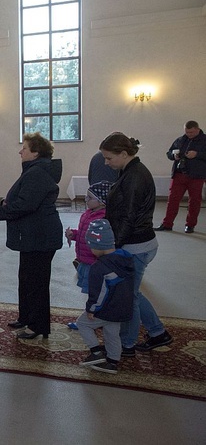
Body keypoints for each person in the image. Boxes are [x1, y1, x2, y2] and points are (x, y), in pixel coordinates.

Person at [99, 132, 172, 356]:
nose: (106, 162)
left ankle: (126, 344)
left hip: (135, 245)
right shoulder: (129, 171)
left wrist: (114, 247)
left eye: (109, 158)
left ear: (123, 153)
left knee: (128, 297)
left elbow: (129, 217)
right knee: (133, 293)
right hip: (138, 242)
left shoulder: (135, 176)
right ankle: (158, 333)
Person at [0, 132, 63, 340]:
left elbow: (26, 204)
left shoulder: (37, 173)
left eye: (24, 148)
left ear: (35, 153)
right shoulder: (35, 169)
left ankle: (38, 325)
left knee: (37, 282)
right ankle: (26, 316)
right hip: (33, 235)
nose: (20, 151)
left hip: (40, 236)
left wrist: (3, 210)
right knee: (26, 278)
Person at [76, 219, 135, 375]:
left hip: (106, 308)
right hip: (122, 307)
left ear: (97, 246)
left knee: (83, 324)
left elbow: (99, 293)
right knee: (112, 333)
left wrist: (91, 309)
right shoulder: (126, 259)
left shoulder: (99, 268)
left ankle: (96, 352)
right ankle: (113, 362)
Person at [64, 180, 111, 329]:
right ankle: (96, 316)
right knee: (93, 293)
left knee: (96, 293)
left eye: (90, 198)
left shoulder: (103, 218)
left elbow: (99, 242)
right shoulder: (88, 214)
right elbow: (85, 235)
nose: (86, 200)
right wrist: (74, 235)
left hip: (94, 262)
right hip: (85, 259)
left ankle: (93, 318)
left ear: (102, 201)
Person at [155, 120, 206, 234]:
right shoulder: (181, 140)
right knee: (172, 200)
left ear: (197, 130)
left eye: (192, 132)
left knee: (194, 201)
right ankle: (167, 223)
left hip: (196, 176)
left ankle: (190, 225)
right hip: (179, 174)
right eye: (187, 132)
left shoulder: (204, 140)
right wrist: (173, 155)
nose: (189, 134)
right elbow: (169, 153)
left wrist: (197, 154)